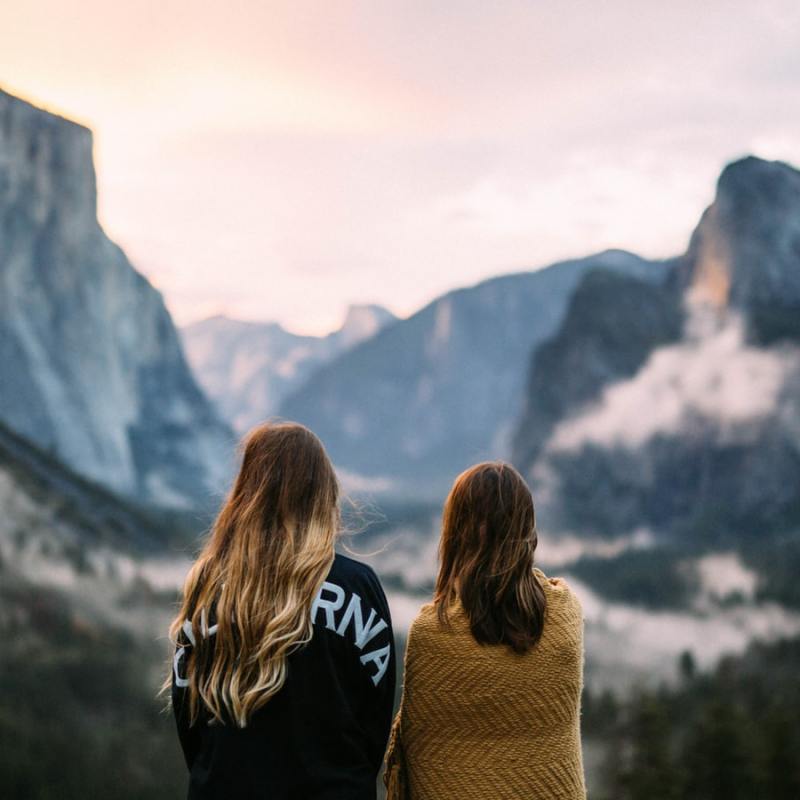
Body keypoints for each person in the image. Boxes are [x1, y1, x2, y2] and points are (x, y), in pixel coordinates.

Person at [166, 421, 395, 800]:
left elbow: (188, 718)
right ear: (324, 495)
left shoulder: (207, 587)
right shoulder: (358, 587)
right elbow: (375, 722)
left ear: (246, 493)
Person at [385, 461, 586, 799]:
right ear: (528, 532)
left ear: (455, 533)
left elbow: (420, 751)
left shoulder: (431, 633)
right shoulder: (565, 614)